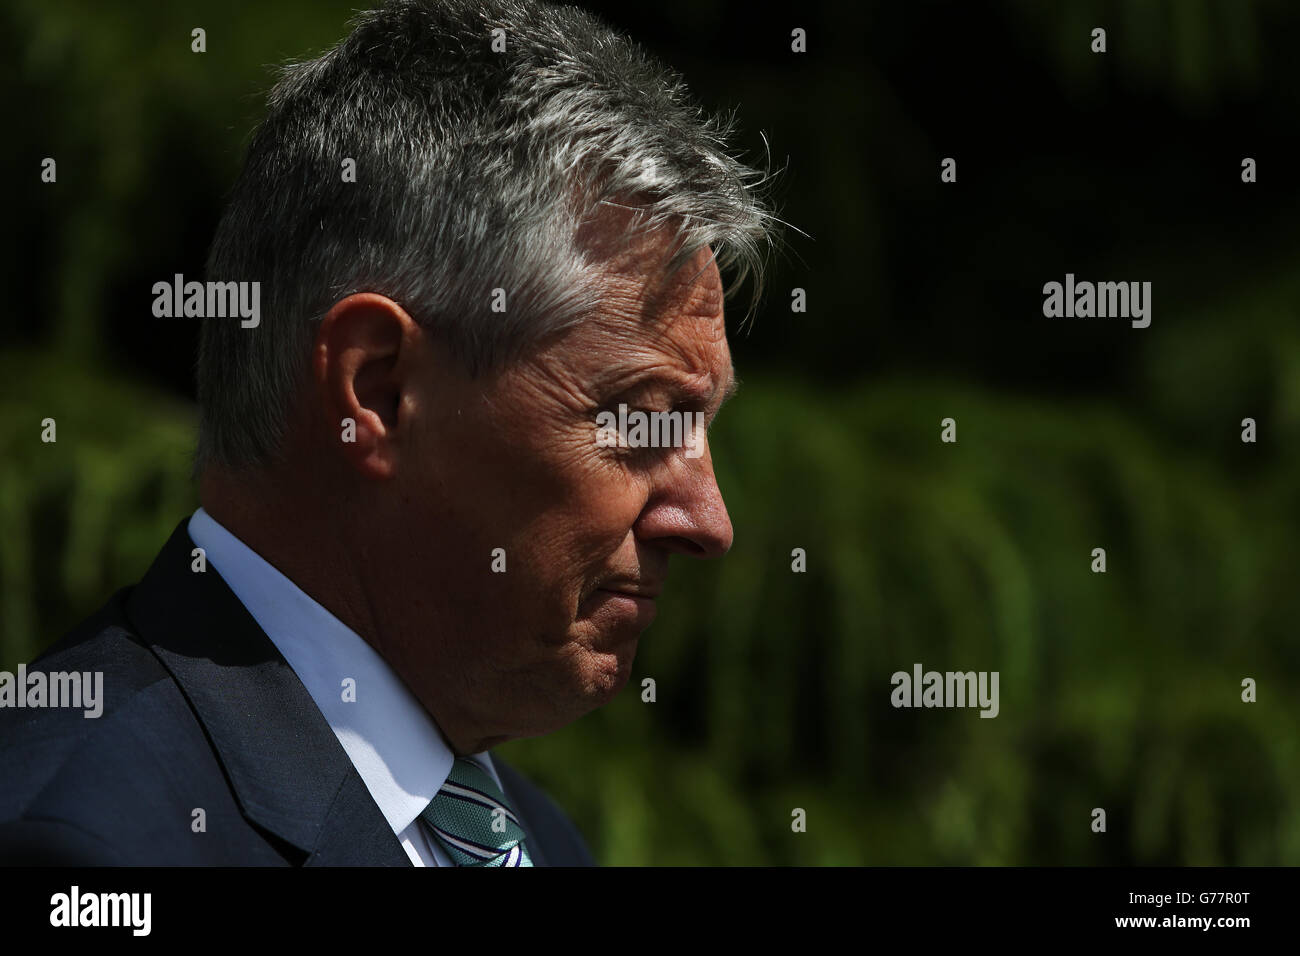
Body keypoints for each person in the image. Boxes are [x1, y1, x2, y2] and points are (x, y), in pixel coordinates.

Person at [0, 0, 777, 865]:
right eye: (641, 420)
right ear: (377, 391)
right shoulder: (84, 842)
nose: (709, 522)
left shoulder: (540, 842)